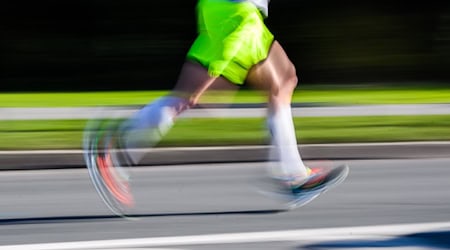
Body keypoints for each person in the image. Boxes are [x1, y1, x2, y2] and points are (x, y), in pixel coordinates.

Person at [88, 0, 345, 212]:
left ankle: (294, 175)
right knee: (189, 98)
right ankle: (112, 144)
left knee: (285, 79)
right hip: (234, 14)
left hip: (243, 15)